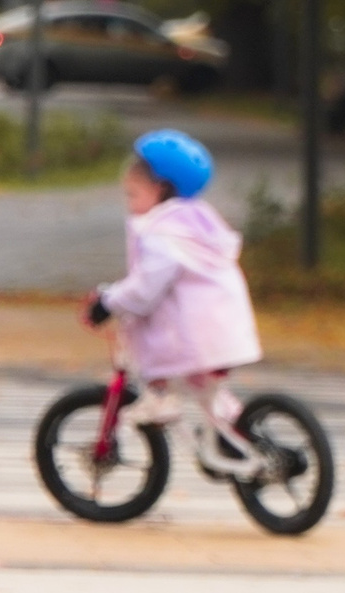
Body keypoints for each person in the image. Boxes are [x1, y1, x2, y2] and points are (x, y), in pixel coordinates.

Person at [84, 128, 264, 475]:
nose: (130, 206)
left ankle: (160, 399)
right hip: (223, 331)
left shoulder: (163, 235)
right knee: (206, 389)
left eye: (133, 195)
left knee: (161, 365)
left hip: (195, 336)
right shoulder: (194, 225)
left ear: (160, 189)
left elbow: (145, 288)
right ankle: (231, 434)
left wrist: (108, 303)